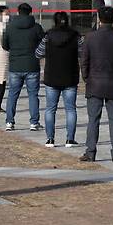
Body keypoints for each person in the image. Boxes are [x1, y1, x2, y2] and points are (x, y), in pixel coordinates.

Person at [80, 6, 113, 162]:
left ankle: (91, 151)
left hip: (94, 82)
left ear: (98, 18)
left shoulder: (89, 37)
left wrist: (86, 77)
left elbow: (84, 61)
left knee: (93, 119)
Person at [35, 11, 83, 148]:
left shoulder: (48, 36)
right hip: (70, 77)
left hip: (51, 77)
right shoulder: (75, 36)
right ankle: (70, 139)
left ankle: (50, 139)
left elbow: (38, 53)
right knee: (71, 109)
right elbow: (83, 53)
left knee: (50, 109)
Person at [2, 3, 45, 131]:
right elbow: (43, 43)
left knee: (12, 95)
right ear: (30, 12)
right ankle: (34, 122)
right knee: (33, 95)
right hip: (32, 65)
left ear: (18, 12)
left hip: (15, 65)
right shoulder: (36, 27)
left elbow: (5, 45)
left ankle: (9, 122)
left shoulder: (10, 27)